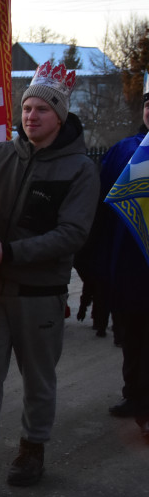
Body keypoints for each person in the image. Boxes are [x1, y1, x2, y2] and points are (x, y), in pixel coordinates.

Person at [0, 60, 98, 493]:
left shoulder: (80, 170)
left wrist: (10, 251)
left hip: (40, 294)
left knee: (38, 379)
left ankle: (33, 449)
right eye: (27, 108)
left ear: (60, 116)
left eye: (42, 110)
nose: (31, 116)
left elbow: (73, 233)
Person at [93, 91, 149, 430]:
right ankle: (134, 393)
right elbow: (102, 203)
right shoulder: (123, 150)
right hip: (127, 259)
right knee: (129, 332)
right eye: (147, 105)